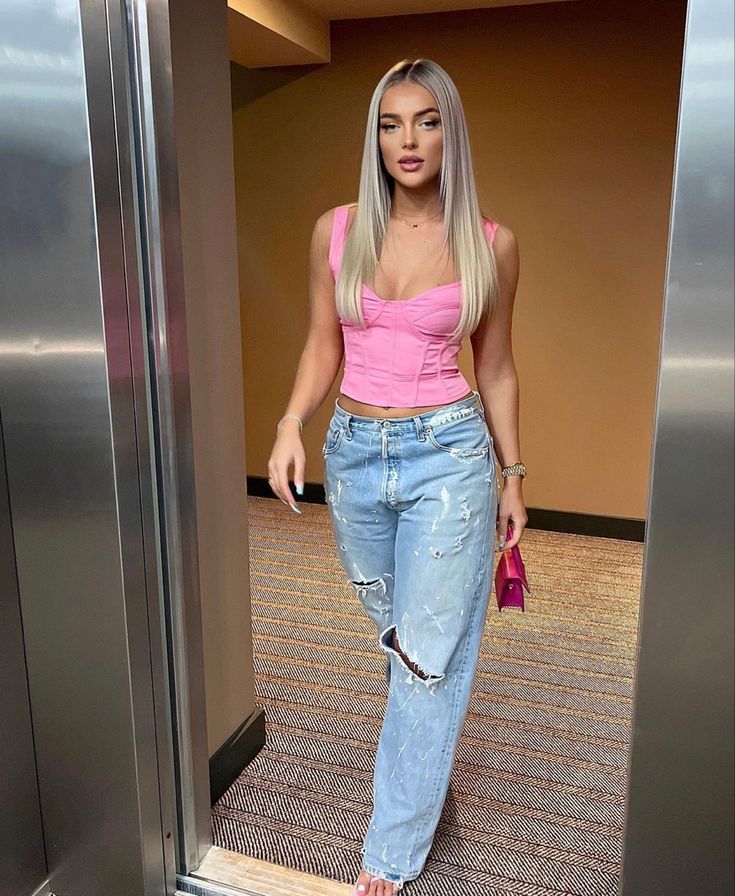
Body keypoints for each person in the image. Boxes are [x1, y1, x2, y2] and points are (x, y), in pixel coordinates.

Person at [267, 58, 527, 895]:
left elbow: (498, 370)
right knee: (402, 638)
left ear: (451, 132)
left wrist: (511, 477)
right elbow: (321, 341)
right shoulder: (335, 229)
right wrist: (287, 424)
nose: (406, 140)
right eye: (389, 123)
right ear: (374, 136)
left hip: (449, 455)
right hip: (352, 451)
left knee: (427, 653)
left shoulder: (491, 244)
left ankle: (391, 853)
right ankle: (427, 759)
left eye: (425, 121)